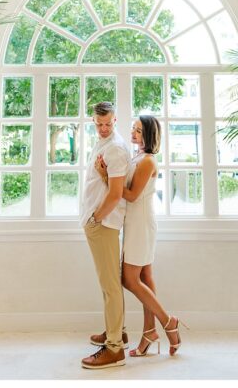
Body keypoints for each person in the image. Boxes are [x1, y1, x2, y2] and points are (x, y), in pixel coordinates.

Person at [97, 115, 185, 357]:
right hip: (135, 222)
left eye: (138, 130)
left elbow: (133, 195)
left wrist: (107, 178)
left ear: (149, 134)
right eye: (132, 129)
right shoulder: (136, 157)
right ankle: (149, 332)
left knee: (129, 279)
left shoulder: (147, 161)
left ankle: (169, 322)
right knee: (145, 276)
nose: (134, 133)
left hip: (142, 223)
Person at [80, 101, 130, 370]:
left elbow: (115, 193)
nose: (103, 128)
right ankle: (117, 332)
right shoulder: (103, 142)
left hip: (105, 224)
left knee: (110, 285)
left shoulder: (116, 149)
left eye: (108, 124)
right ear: (93, 121)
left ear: (115, 119)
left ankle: (114, 348)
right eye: (99, 124)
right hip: (99, 222)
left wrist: (95, 218)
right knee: (107, 283)